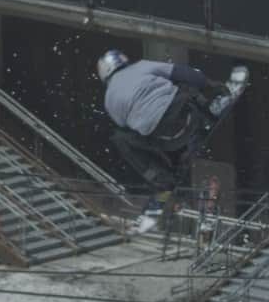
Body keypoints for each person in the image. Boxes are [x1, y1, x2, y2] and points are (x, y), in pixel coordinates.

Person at [97, 50, 232, 214]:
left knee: (121, 138)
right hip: (188, 117)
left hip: (164, 140)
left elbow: (127, 127)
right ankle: (213, 106)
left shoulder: (108, 100)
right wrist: (210, 86)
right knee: (181, 81)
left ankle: (161, 177)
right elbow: (185, 73)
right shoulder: (142, 66)